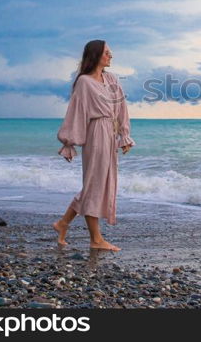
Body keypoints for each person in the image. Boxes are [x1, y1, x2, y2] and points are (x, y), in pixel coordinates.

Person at [53, 40, 135, 251]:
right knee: (94, 184)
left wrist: (124, 136)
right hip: (96, 134)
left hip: (111, 132)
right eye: (107, 53)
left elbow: (122, 108)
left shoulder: (111, 79)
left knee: (99, 184)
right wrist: (69, 143)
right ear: (96, 55)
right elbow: (76, 113)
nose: (111, 56)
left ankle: (63, 223)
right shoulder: (84, 82)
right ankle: (96, 239)